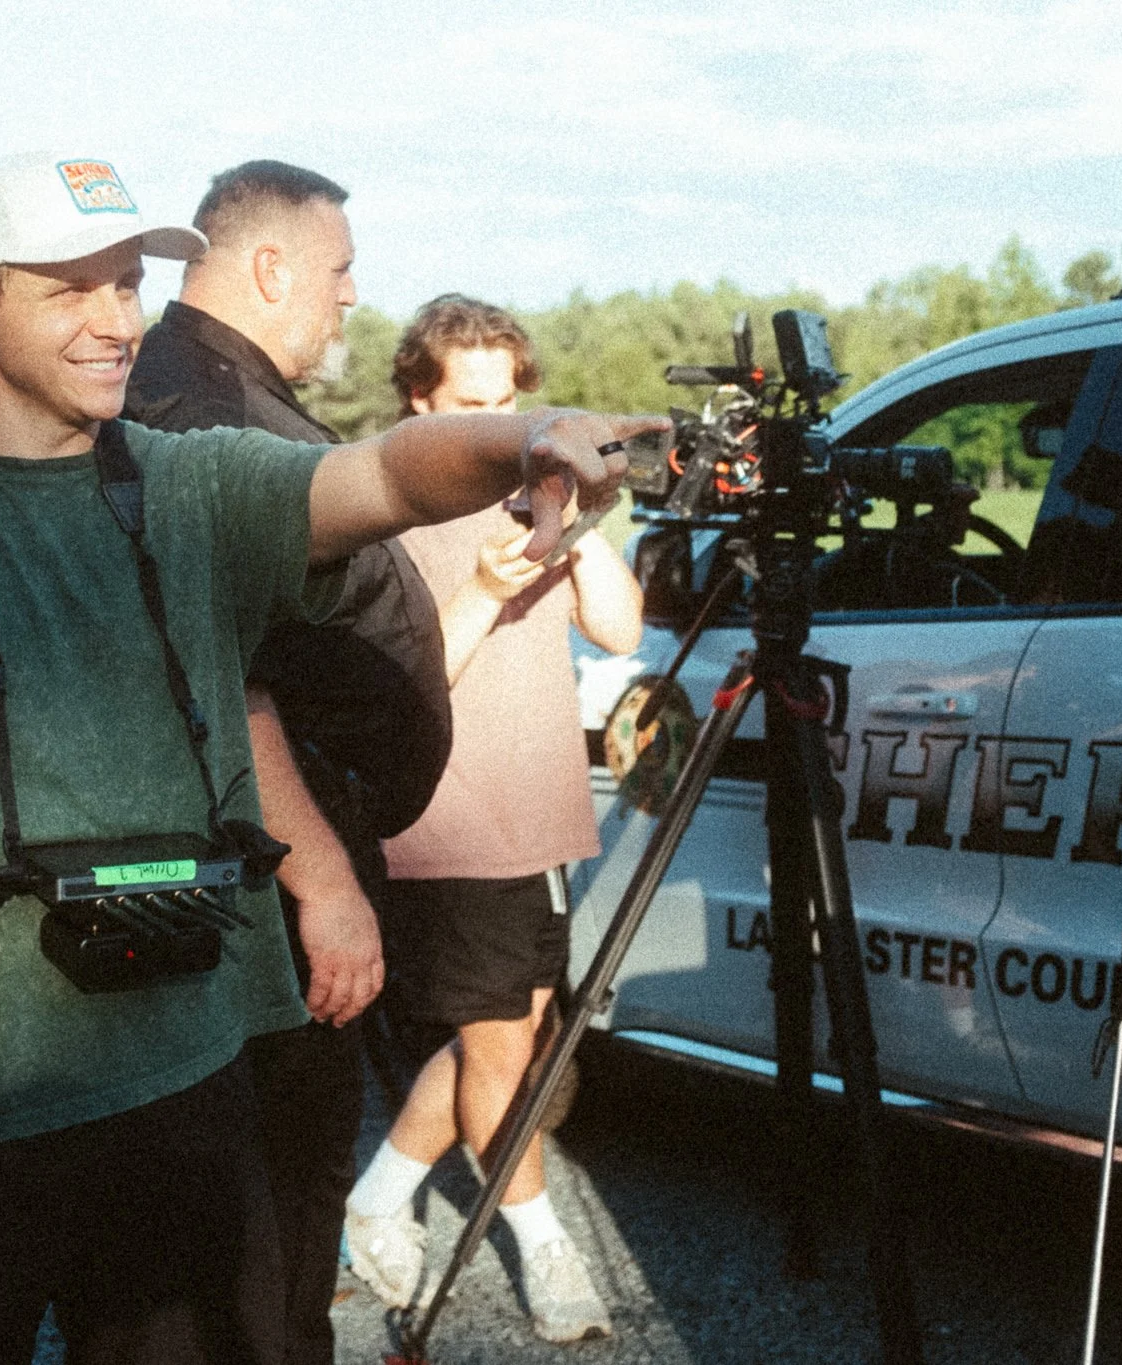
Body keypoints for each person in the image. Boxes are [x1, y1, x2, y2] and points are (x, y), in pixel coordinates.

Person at [0, 154, 657, 1365]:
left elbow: (380, 476)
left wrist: (525, 437)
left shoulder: (194, 484)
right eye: (68, 291)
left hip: (184, 1075)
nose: (115, 320)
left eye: (124, 283)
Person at [122, 160, 451, 1365]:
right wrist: (324, 883)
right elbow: (224, 674)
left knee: (271, 1210)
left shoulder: (222, 387)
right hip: (263, 857)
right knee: (264, 1205)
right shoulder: (195, 409)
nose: (352, 299)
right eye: (339, 271)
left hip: (290, 837)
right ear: (267, 268)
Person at [342, 296, 643, 1345]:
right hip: (452, 824)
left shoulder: (535, 492)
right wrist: (479, 585)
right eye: (470, 402)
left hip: (540, 819)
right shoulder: (394, 518)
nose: (497, 420)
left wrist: (580, 520)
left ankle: (378, 1195)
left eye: (509, 398)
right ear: (419, 402)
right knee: (500, 1045)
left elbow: (616, 631)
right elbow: (404, 690)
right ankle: (542, 1242)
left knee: (511, 1036)